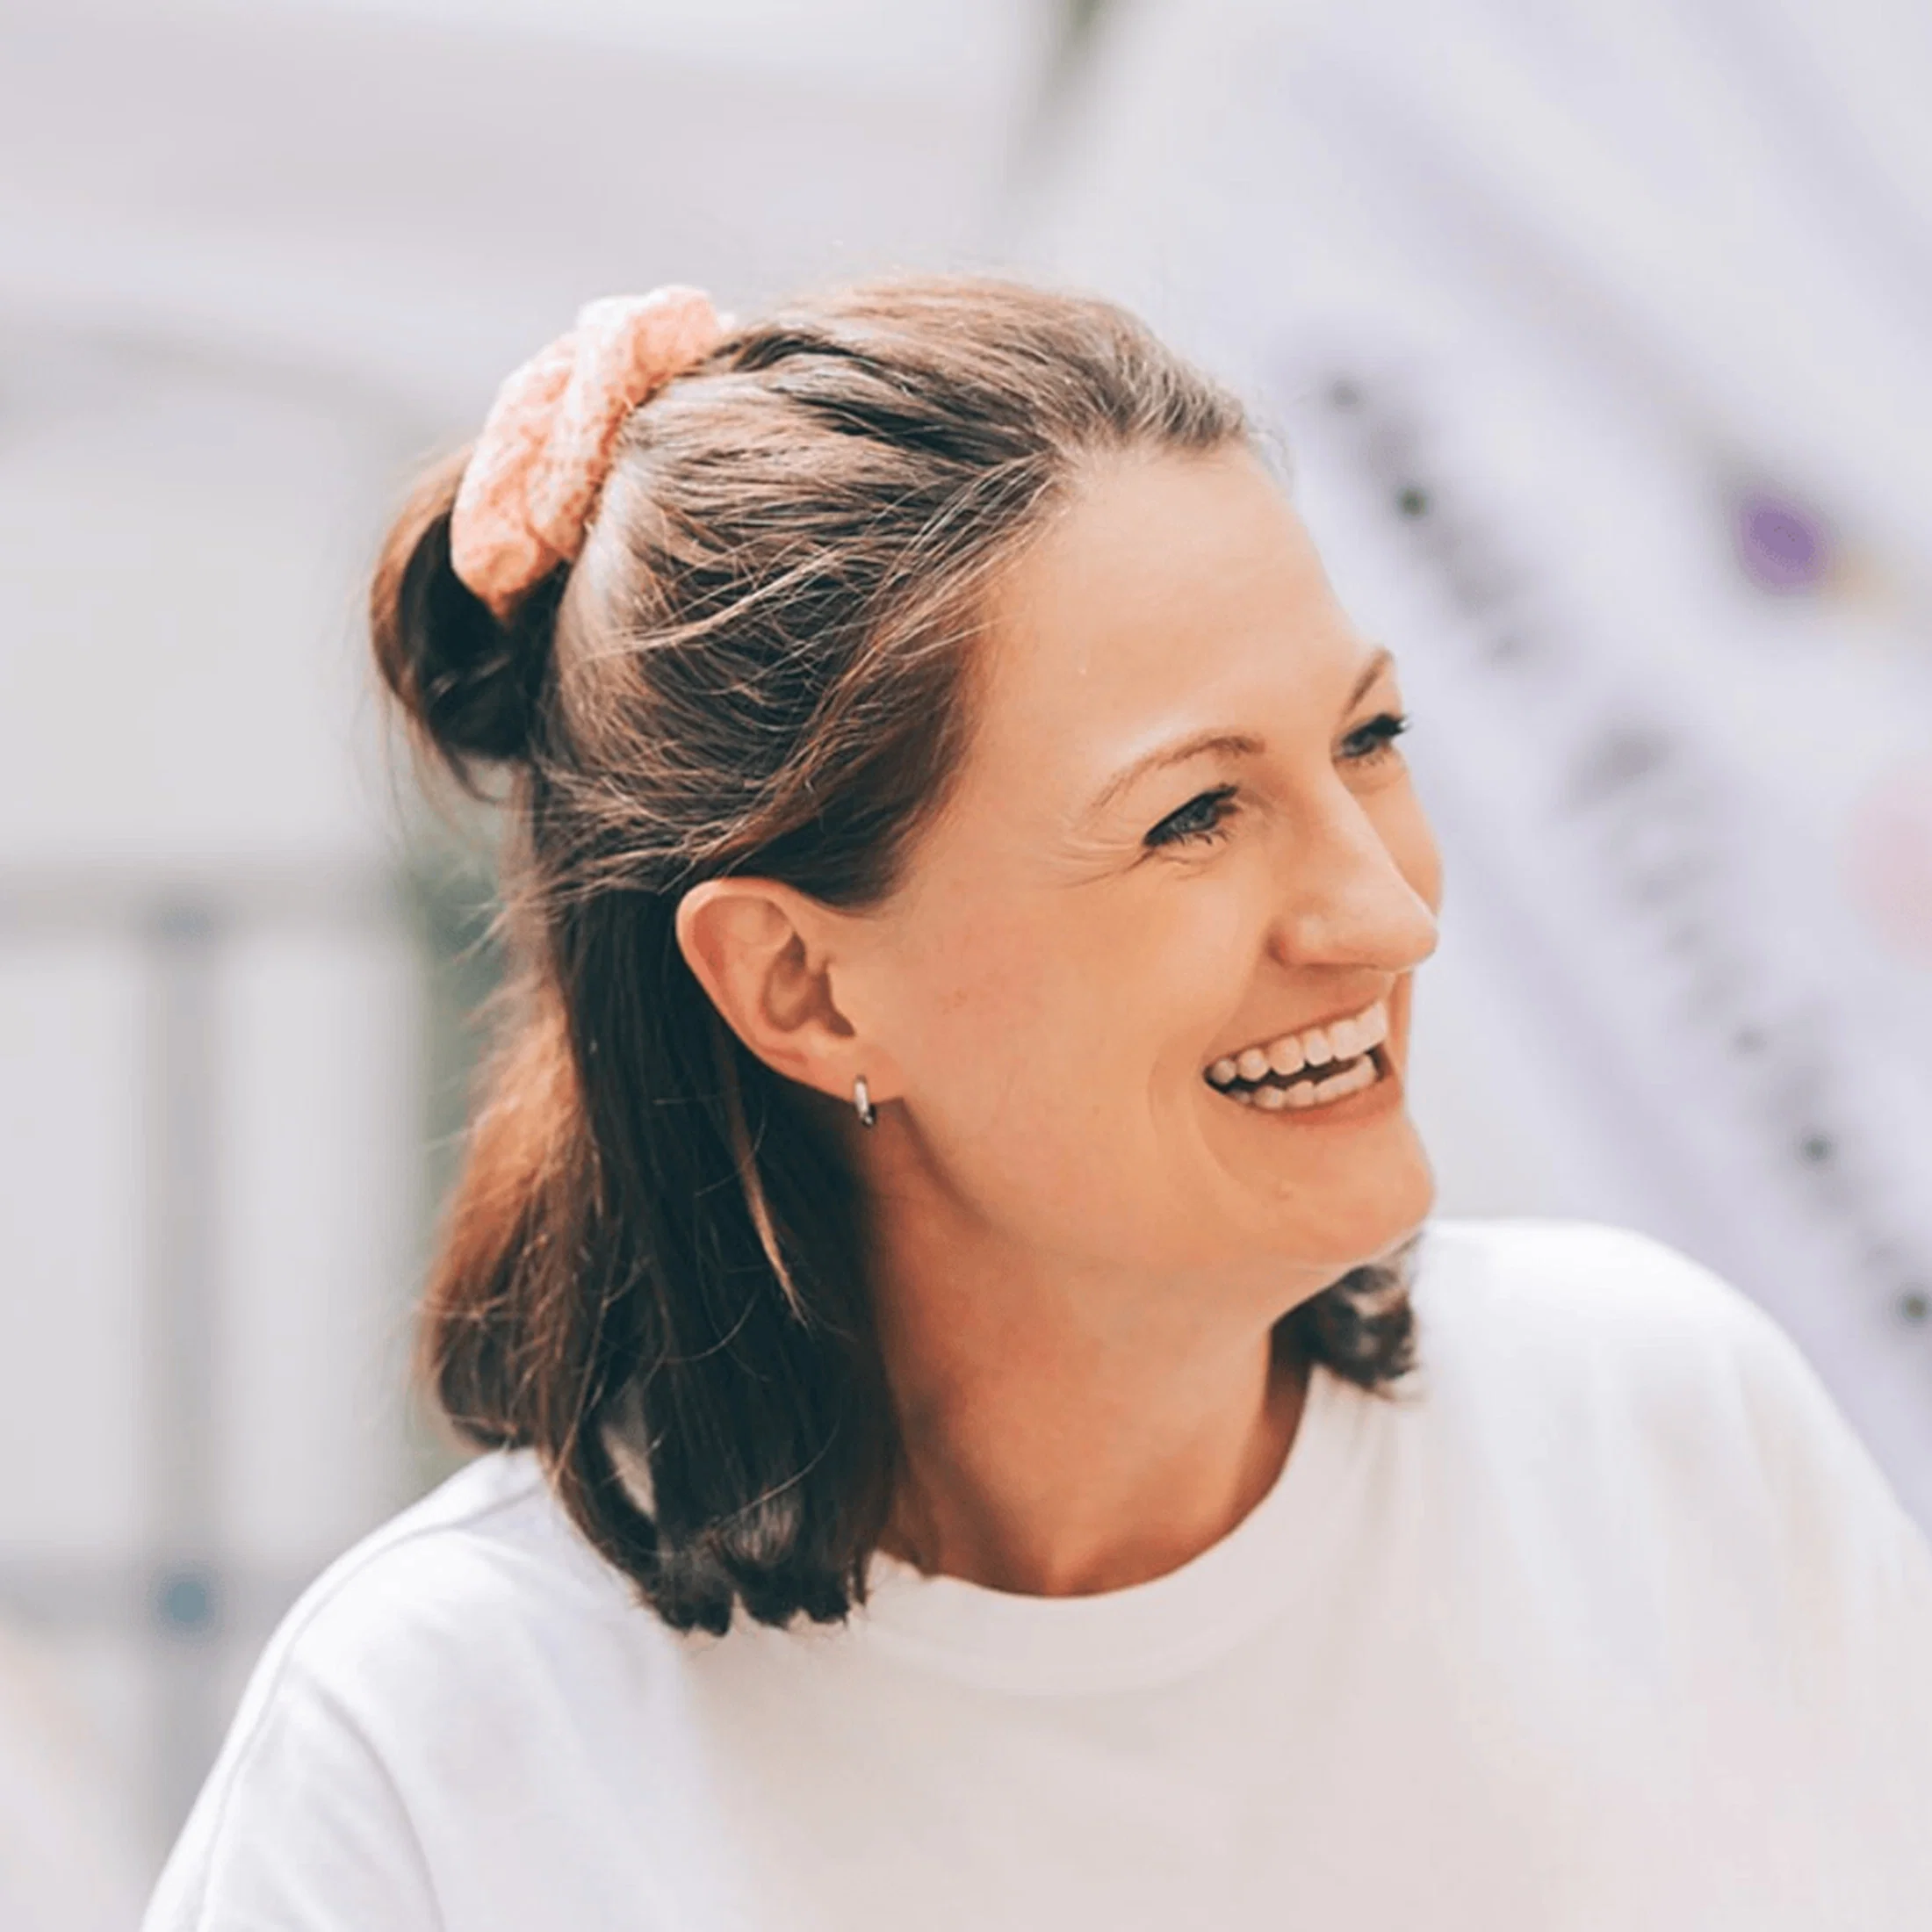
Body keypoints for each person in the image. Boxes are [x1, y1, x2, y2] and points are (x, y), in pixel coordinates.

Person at [147, 278, 1932, 1930]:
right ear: (802, 982)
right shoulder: (442, 1740)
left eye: (1365, 743)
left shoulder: (1657, 1433)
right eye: (1192, 815)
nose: (1384, 912)